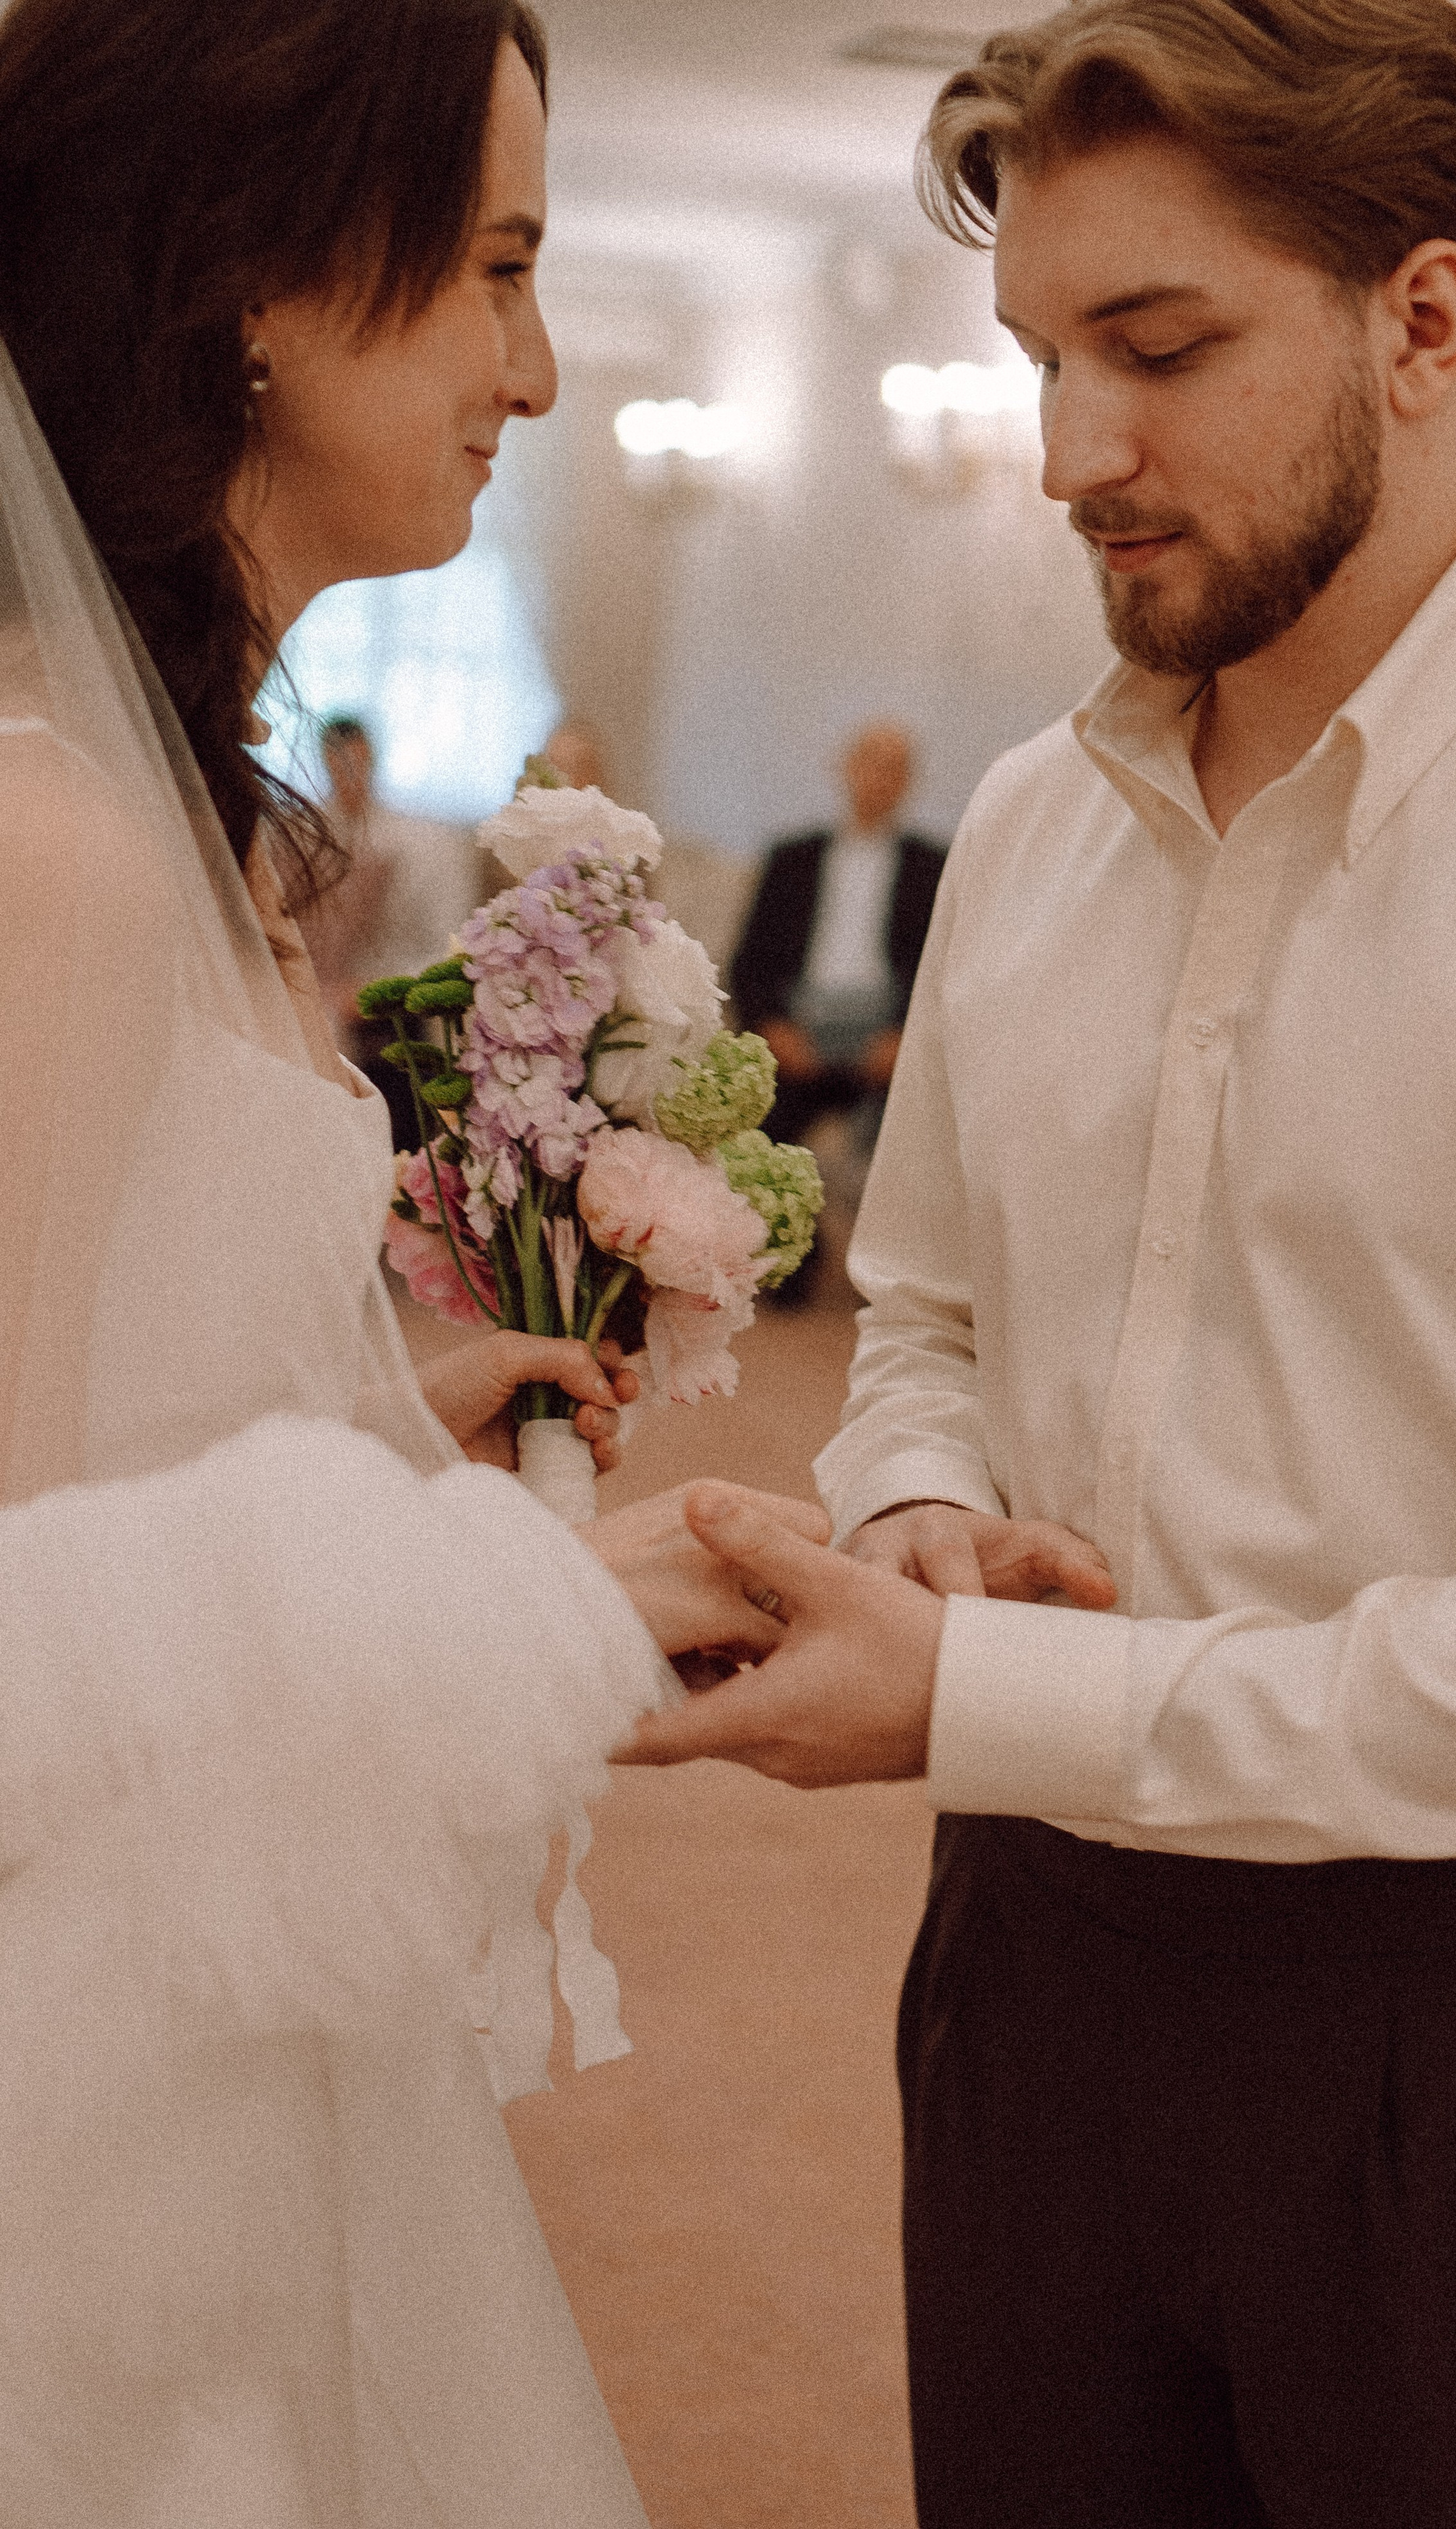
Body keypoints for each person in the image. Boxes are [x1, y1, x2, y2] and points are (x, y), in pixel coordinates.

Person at [625, 3, 1456, 2522]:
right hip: (1024, 2000)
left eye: (1159, 349)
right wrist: (905, 1522)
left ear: (1421, 323)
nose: (1066, 456)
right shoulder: (1026, 820)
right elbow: (929, 1324)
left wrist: (995, 1695)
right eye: (1035, 358)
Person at [0, 2, 823, 2518]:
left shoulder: (200, 829)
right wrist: (526, 1611)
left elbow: (112, 1416)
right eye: (489, 271)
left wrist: (387, 1431)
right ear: (252, 278)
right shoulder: (55, 847)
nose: (538, 369)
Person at [730, 722, 945, 1302]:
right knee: (760, 1130)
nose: (880, 777)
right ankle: (796, 1258)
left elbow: (947, 973)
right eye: (870, 762)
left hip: (886, 1034)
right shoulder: (791, 857)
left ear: (909, 783)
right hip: (801, 1026)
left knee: (919, 1136)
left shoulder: (935, 867)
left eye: (895, 767)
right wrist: (774, 1028)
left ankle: (893, 1275)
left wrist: (906, 1035)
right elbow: (747, 963)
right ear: (847, 768)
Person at [306, 711, 483, 1144]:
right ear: (324, 763)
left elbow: (444, 947)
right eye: (337, 764)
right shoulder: (305, 834)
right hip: (318, 997)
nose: (349, 776)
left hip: (392, 1009)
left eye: (358, 764)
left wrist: (368, 990)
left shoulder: (416, 842)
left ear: (372, 761)